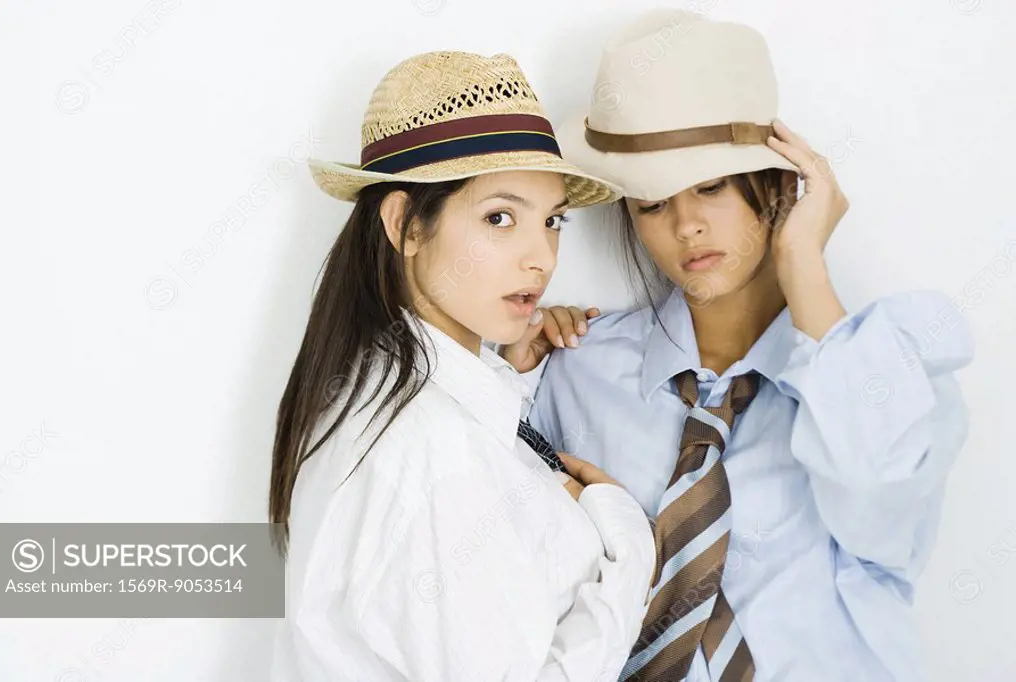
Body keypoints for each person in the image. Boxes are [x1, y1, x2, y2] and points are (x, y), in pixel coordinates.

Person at [502, 10, 975, 682]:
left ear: (781, 182)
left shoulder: (885, 371)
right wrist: (508, 378)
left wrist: (804, 259)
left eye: (712, 187)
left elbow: (884, 507)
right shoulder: (578, 368)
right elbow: (513, 580)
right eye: (653, 203)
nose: (687, 225)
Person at [268, 50, 658, 682]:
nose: (541, 257)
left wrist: (511, 381)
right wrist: (630, 543)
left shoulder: (405, 394)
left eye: (553, 220)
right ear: (404, 225)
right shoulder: (427, 451)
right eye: (499, 217)